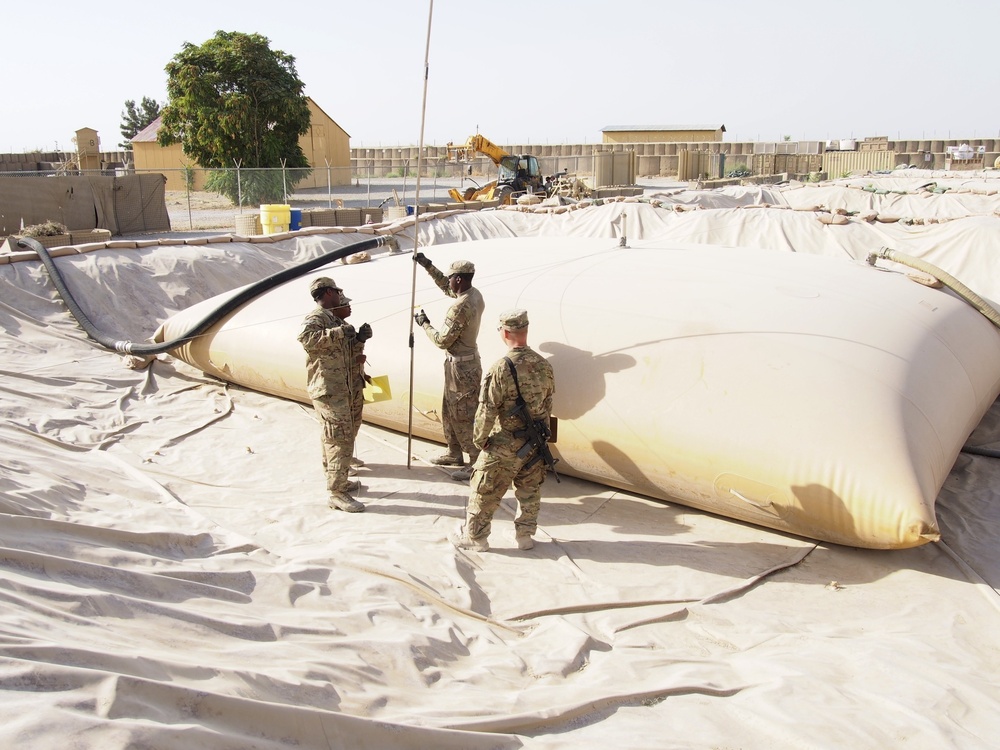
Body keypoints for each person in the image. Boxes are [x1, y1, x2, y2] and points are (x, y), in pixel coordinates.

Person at [451, 309, 555, 552]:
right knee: (529, 491)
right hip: (535, 442)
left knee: (484, 488)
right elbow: (548, 404)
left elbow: (487, 408)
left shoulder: (502, 367)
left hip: (506, 441)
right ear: (525, 331)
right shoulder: (544, 365)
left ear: (506, 332)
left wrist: (480, 439)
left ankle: (476, 538)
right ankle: (525, 537)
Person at [298, 276, 373, 513]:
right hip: (329, 390)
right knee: (338, 438)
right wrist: (339, 332)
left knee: (337, 436)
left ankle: (337, 478)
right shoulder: (317, 318)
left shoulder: (333, 319)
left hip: (344, 386)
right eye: (338, 292)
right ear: (328, 293)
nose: (342, 297)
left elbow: (344, 353)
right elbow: (308, 341)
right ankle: (336, 492)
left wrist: (359, 339)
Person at [412, 252, 486, 481]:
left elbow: (442, 340)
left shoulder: (460, 307)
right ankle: (454, 453)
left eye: (452, 277)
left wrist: (425, 325)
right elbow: (446, 287)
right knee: (449, 410)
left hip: (462, 370)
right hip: (460, 365)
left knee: (464, 414)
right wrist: (427, 265)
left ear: (460, 280)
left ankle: (475, 462)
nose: (450, 281)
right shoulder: (474, 294)